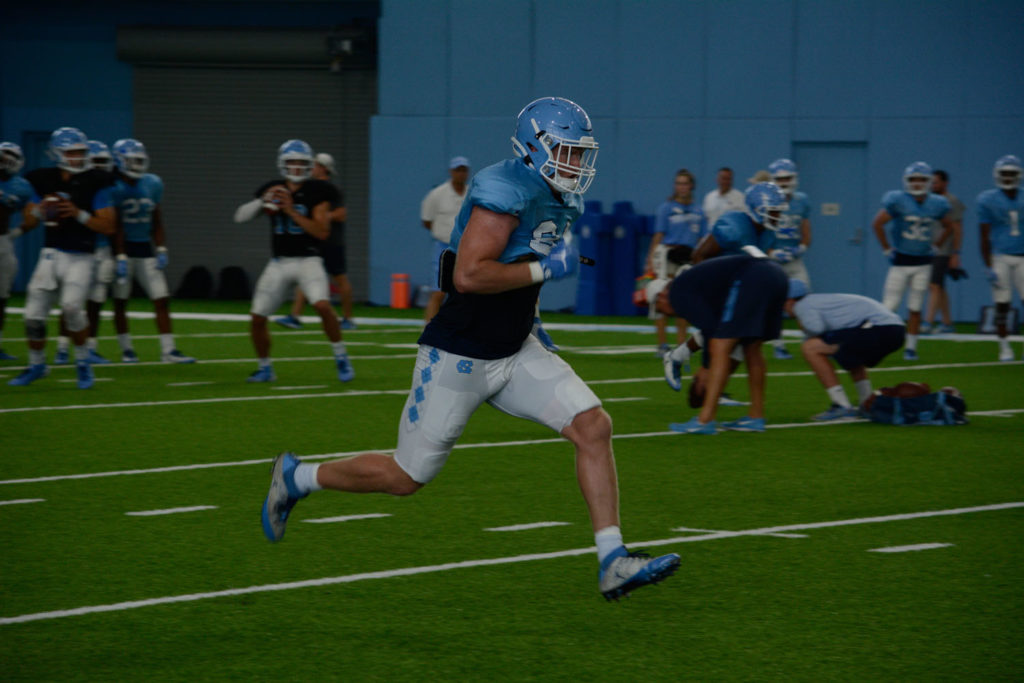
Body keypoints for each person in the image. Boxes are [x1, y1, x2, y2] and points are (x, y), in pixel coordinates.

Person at [260, 97, 680, 601]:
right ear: (533, 148)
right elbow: (471, 274)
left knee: (593, 426)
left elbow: (520, 269)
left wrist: (535, 318)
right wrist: (548, 270)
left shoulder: (562, 197)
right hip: (459, 353)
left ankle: (612, 559)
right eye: (566, 151)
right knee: (406, 477)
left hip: (515, 347)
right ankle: (298, 477)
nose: (575, 163)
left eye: (578, 153)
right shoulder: (503, 187)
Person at [233, 139, 354, 383]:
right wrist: (262, 200)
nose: (297, 167)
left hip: (309, 260)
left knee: (321, 305)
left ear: (310, 165)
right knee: (257, 317)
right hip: (279, 262)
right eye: (292, 162)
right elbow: (240, 217)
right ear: (282, 164)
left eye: (301, 162)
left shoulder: (319, 191)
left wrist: (290, 210)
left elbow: (321, 232)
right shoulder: (273, 187)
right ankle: (265, 367)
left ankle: (340, 355)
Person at [663, 182, 789, 408]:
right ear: (757, 209)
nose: (777, 215)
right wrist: (714, 293)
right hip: (715, 284)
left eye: (779, 211)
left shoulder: (767, 233)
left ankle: (689, 365)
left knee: (738, 347)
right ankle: (701, 385)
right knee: (722, 340)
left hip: (740, 287)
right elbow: (700, 255)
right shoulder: (734, 225)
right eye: (774, 210)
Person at [8, 126, 115, 389]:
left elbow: (108, 225)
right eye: (72, 153)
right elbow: (30, 219)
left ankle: (82, 364)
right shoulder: (42, 179)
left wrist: (77, 213)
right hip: (51, 254)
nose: (78, 158)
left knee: (71, 309)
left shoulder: (96, 181)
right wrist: (38, 212)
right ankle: (36, 365)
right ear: (56, 154)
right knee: (33, 315)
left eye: (81, 152)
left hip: (82, 256)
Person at [652, 252, 789, 435]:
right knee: (752, 348)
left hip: (753, 275)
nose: (662, 314)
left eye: (657, 308)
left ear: (661, 296)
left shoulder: (677, 293)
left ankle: (705, 420)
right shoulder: (696, 287)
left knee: (720, 345)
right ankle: (756, 416)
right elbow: (716, 327)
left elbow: (712, 333)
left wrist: (706, 367)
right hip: (777, 274)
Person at [107, 138, 194, 364]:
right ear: (119, 161)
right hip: (121, 249)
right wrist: (120, 255)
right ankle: (126, 349)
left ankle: (169, 350)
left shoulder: (152, 183)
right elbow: (114, 225)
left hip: (145, 248)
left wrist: (161, 248)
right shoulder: (112, 186)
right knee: (120, 301)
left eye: (139, 160)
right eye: (131, 160)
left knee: (161, 298)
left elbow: (157, 219)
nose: (136, 164)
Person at [870, 161, 959, 361]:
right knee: (889, 307)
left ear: (928, 182)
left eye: (921, 179)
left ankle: (911, 347)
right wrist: (886, 249)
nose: (917, 183)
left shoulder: (936, 203)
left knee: (916, 307)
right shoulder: (897, 200)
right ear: (906, 181)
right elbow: (877, 224)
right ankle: (876, 344)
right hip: (900, 261)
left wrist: (936, 246)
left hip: (922, 262)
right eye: (913, 179)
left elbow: (949, 225)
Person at [783, 281, 906, 421]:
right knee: (848, 351)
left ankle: (841, 405)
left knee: (810, 348)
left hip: (878, 328)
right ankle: (866, 403)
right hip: (893, 329)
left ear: (790, 300)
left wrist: (804, 328)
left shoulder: (802, 305)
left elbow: (816, 328)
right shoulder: (816, 301)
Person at [274, 152, 356, 331]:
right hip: (314, 242)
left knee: (340, 278)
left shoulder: (329, 189)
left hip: (331, 241)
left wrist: (323, 216)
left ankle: (348, 318)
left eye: (316, 165)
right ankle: (295, 316)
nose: (311, 168)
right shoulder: (310, 189)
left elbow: (342, 214)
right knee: (306, 278)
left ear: (324, 168)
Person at [54, 140, 117, 365]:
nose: (99, 167)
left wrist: (119, 255)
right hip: (81, 249)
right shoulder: (80, 186)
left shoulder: (108, 186)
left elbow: (114, 224)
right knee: (71, 301)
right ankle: (62, 347)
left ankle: (90, 347)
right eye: (96, 162)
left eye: (103, 162)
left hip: (102, 248)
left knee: (96, 300)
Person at [644, 168, 707, 355]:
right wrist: (650, 259)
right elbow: (658, 235)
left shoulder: (698, 211)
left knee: (684, 301)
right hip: (668, 256)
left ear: (692, 186)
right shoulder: (666, 208)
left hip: (689, 257)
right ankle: (662, 344)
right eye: (678, 183)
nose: (682, 187)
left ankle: (681, 344)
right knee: (662, 299)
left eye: (685, 183)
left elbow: (703, 239)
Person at [978, 154, 1024, 362]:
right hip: (1001, 257)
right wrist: (988, 266)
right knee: (1002, 303)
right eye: (1004, 173)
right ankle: (1004, 347)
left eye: (1011, 174)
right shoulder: (987, 199)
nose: (1007, 177)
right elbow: (984, 235)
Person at [766, 158, 813, 360]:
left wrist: (802, 247)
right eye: (780, 178)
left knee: (806, 298)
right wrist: (771, 253)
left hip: (794, 260)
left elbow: (806, 229)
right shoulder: (767, 201)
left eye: (787, 178)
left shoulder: (801, 200)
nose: (784, 182)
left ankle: (809, 339)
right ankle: (779, 345)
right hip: (774, 260)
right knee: (775, 302)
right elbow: (761, 233)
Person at [420, 155, 470, 323]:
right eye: (458, 170)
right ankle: (429, 329)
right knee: (439, 291)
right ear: (451, 172)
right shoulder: (437, 194)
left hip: (467, 248)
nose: (461, 174)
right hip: (443, 247)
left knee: (466, 290)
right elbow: (427, 220)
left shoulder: (472, 194)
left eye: (463, 170)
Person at [0, 142, 34, 361]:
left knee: (1, 297)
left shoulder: (21, 187)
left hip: (3, 241)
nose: (7, 159)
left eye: (12, 155)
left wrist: (17, 233)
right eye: (5, 155)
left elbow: (34, 215)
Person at [922, 169, 964, 335]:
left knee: (933, 285)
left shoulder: (951, 201)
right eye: (931, 182)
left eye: (936, 182)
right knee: (940, 287)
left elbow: (958, 229)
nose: (933, 185)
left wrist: (956, 253)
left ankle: (928, 322)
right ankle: (947, 322)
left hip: (943, 250)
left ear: (945, 183)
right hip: (931, 248)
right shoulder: (930, 201)